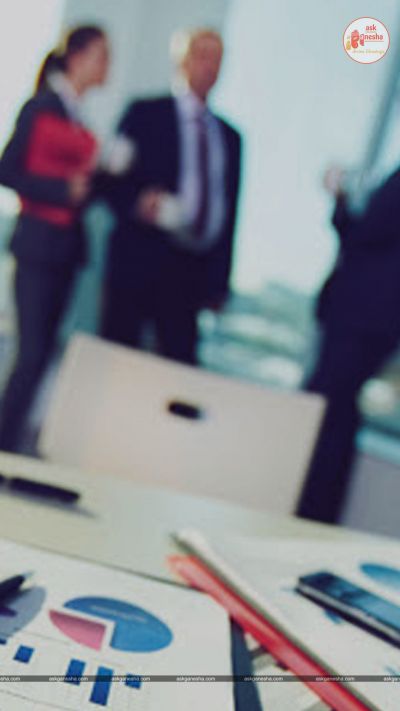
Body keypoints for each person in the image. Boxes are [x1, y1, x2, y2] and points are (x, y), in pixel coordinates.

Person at [101, 28, 242, 365]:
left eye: (217, 59)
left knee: (178, 365)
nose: (210, 66)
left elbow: (229, 211)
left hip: (190, 273)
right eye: (203, 55)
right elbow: (109, 182)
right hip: (140, 259)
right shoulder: (145, 113)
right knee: (117, 360)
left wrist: (219, 282)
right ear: (182, 61)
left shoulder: (231, 137)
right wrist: (138, 203)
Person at [0, 25, 110, 452]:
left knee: (43, 354)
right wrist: (62, 190)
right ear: (77, 57)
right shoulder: (41, 106)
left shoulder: (79, 118)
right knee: (31, 354)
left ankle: (10, 447)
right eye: (102, 56)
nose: (108, 66)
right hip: (37, 246)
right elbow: (7, 169)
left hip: (65, 251)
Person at [296, 166, 400, 523]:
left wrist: (340, 200)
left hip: (364, 314)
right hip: (379, 319)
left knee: (325, 411)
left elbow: (363, 237)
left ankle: (308, 510)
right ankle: (316, 512)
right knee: (337, 411)